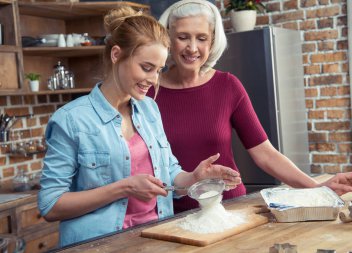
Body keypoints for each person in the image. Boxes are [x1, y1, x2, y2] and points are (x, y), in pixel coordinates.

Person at [38, 6, 241, 247]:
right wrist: (124, 188)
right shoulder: (70, 120)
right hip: (99, 245)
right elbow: (50, 205)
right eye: (146, 68)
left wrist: (195, 177)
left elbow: (170, 176)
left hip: (155, 238)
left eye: (159, 70)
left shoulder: (149, 110)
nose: (153, 79)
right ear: (116, 55)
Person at [147, 0, 352, 213]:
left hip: (228, 210)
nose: (192, 47)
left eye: (202, 38)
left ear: (212, 40)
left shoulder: (228, 86)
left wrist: (318, 188)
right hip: (172, 214)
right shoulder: (148, 91)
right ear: (168, 38)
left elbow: (265, 154)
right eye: (183, 37)